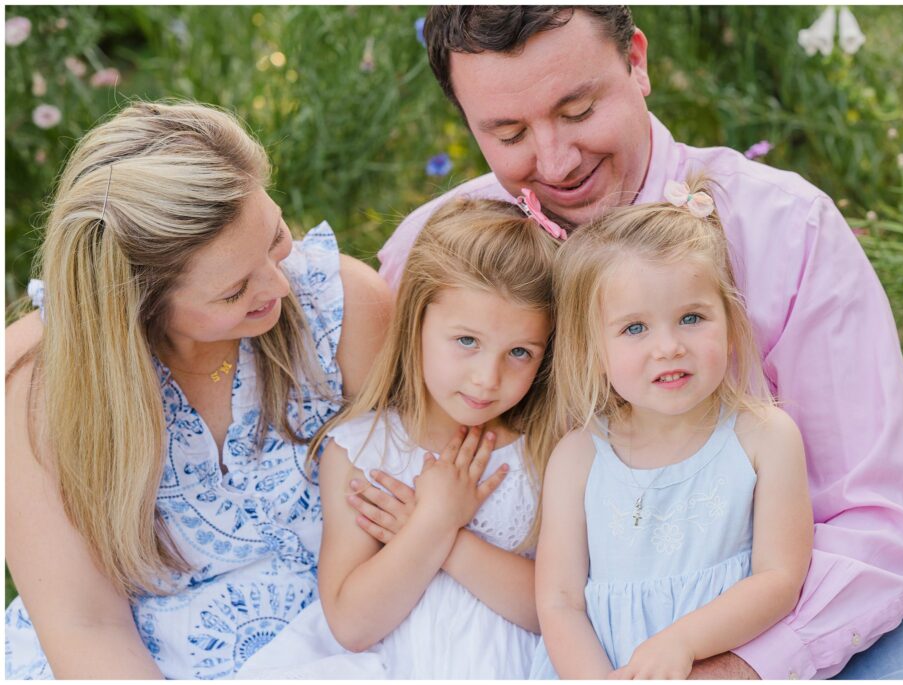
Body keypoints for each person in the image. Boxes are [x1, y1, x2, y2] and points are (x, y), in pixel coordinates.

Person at [376, 6, 903, 680]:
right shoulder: (447, 252)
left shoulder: (786, 227)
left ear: (637, 63)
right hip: (591, 639)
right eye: (508, 132)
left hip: (846, 615)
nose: (557, 161)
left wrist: (734, 667)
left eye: (578, 109)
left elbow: (887, 523)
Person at [4, 101, 394, 679]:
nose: (280, 284)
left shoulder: (346, 311)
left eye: (276, 235)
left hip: (341, 650)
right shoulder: (36, 377)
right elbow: (84, 626)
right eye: (235, 291)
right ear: (135, 306)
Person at [235, 196, 561, 679]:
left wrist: (441, 530)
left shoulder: (549, 450)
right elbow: (351, 623)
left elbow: (557, 609)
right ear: (417, 320)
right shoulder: (362, 451)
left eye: (519, 352)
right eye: (466, 341)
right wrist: (433, 522)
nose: (487, 378)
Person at [533, 188, 813, 679]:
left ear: (729, 326)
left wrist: (681, 643)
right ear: (594, 350)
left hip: (711, 662)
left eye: (691, 318)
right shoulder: (578, 458)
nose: (668, 347)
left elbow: (779, 578)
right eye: (634, 328)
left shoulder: (763, 437)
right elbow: (559, 603)